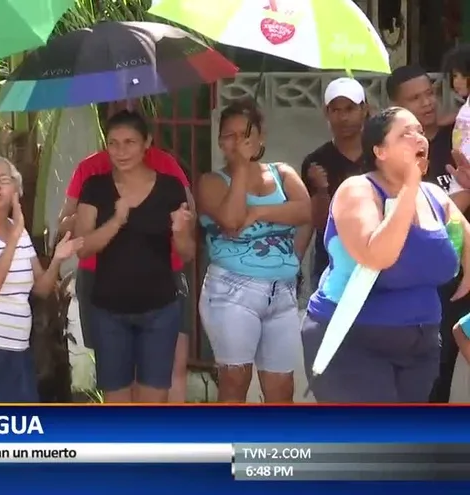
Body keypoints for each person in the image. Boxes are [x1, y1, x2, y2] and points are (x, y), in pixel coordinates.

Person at [302, 107, 466, 403]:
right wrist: (409, 187)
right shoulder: (358, 191)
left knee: (404, 444)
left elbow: (464, 239)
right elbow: (376, 256)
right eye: (405, 133)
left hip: (420, 347)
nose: (418, 138)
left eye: (419, 131)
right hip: (355, 342)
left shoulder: (435, 197)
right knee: (371, 444)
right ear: (380, 150)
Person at [74, 110, 196, 404]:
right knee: (117, 402)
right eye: (113, 143)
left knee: (153, 401)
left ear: (147, 143)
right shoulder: (95, 187)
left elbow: (188, 252)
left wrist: (180, 231)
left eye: (129, 142)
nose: (121, 151)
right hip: (108, 311)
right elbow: (82, 247)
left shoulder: (169, 186)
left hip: (159, 309)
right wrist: (116, 220)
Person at [196, 98, 311, 403]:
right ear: (220, 141)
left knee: (281, 387)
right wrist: (242, 170)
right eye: (228, 136)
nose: (237, 142)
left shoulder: (282, 173)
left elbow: (304, 212)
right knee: (235, 380)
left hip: (282, 292)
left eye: (244, 135)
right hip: (231, 291)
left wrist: (258, 213)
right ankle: (228, 449)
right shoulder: (211, 182)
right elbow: (232, 220)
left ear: (260, 137)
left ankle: (275, 450)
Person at [0, 156, 82, 402]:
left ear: (17, 190)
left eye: (5, 179)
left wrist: (57, 259)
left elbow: (42, 289)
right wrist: (13, 236)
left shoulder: (19, 232)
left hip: (17, 348)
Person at [386, 64, 470, 402]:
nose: (428, 103)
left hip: (461, 277)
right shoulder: (391, 154)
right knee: (423, 375)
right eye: (415, 98)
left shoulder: (462, 135)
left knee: (444, 370)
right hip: (419, 282)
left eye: (430, 93)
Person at [297, 78, 368, 288]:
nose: (343, 117)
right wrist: (321, 189)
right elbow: (317, 223)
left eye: (350, 109)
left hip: (375, 254)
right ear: (326, 113)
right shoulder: (316, 161)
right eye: (336, 110)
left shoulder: (380, 154)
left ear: (364, 109)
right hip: (330, 260)